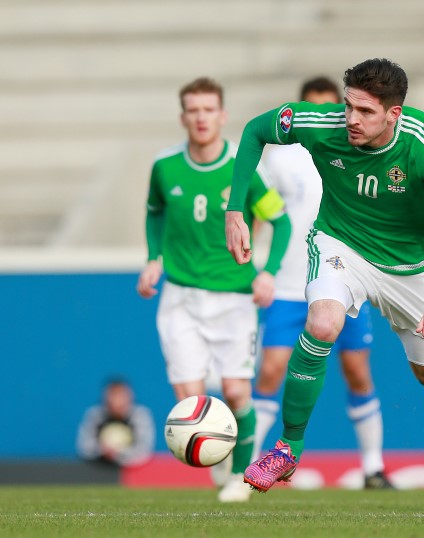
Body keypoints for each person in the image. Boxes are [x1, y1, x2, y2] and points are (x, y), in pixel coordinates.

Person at [226, 58, 424, 520]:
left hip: (411, 269)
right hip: (342, 246)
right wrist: (235, 210)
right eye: (348, 107)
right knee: (323, 321)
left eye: (366, 112)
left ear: (393, 115)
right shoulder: (323, 124)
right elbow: (256, 131)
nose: (352, 120)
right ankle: (288, 448)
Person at [136, 77, 292, 503]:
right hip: (181, 297)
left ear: (222, 116)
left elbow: (281, 222)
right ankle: (217, 456)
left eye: (209, 109)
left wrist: (269, 272)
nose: (201, 117)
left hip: (235, 296)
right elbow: (154, 213)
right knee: (189, 398)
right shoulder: (165, 167)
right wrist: (153, 257)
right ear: (183, 116)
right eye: (193, 109)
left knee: (237, 391)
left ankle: (239, 471)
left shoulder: (241, 172)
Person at [253, 76, 393, 490]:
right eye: (312, 106)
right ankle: (247, 461)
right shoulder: (278, 157)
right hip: (288, 283)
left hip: (341, 279)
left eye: (331, 107)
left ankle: (373, 467)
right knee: (272, 371)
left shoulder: (357, 150)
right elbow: (262, 209)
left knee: (357, 371)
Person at [76, 378, 155, 467]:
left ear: (130, 396)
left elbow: (143, 451)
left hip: (132, 471)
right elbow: (84, 448)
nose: (117, 400)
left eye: (121, 395)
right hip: (97, 469)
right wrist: (102, 450)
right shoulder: (95, 414)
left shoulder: (140, 415)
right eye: (113, 394)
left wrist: (118, 453)